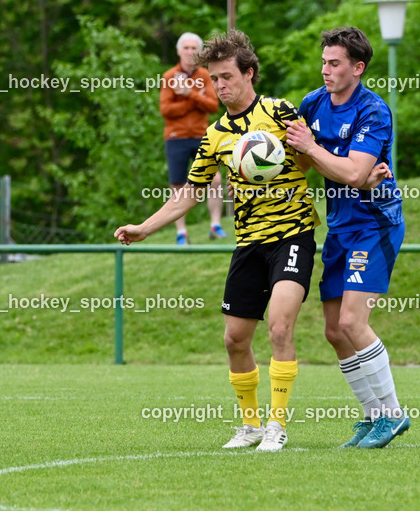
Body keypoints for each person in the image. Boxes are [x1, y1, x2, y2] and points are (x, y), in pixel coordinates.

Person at [116, 30, 319, 452]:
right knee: (235, 339)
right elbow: (189, 193)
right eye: (215, 79)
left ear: (249, 74)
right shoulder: (215, 134)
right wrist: (145, 228)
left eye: (228, 77)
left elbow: (310, 159)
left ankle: (277, 425)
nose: (220, 85)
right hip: (249, 243)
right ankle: (251, 425)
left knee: (280, 327)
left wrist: (303, 153)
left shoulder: (280, 112)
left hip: (292, 234)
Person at [286, 26, 406, 449]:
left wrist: (320, 154)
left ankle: (393, 415)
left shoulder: (373, 110)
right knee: (335, 332)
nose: (325, 70)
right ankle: (372, 416)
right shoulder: (313, 103)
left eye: (334, 63)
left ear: (357, 68)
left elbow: (355, 173)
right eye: (323, 62)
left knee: (354, 322)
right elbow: (305, 162)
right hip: (339, 227)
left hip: (374, 224)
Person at [160, 32, 225, 245]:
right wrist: (195, 101)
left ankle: (215, 226)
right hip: (176, 137)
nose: (189, 52)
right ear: (178, 51)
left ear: (199, 52)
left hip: (201, 135)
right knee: (178, 185)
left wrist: (190, 94)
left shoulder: (205, 75)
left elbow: (213, 105)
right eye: (186, 48)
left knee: (215, 180)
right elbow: (166, 110)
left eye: (193, 48)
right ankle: (181, 233)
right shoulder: (169, 76)